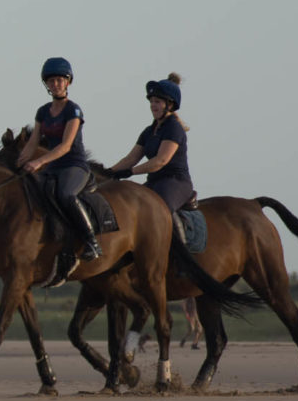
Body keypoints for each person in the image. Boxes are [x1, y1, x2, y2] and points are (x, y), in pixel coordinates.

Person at [16, 57, 102, 261]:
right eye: (51, 81)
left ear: (68, 82)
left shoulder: (74, 110)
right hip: (52, 167)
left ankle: (92, 241)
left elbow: (65, 146)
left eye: (59, 80)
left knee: (66, 195)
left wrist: (38, 162)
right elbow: (32, 144)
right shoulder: (43, 112)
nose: (55, 84)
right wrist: (17, 164)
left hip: (74, 165)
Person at [108, 72, 195, 214]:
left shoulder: (173, 128)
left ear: (170, 105)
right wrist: (108, 173)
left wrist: (130, 172)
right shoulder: (149, 131)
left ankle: (180, 237)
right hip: (154, 181)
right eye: (152, 101)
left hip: (175, 182)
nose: (153, 105)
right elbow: (130, 159)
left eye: (158, 102)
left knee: (160, 211)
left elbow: (160, 161)